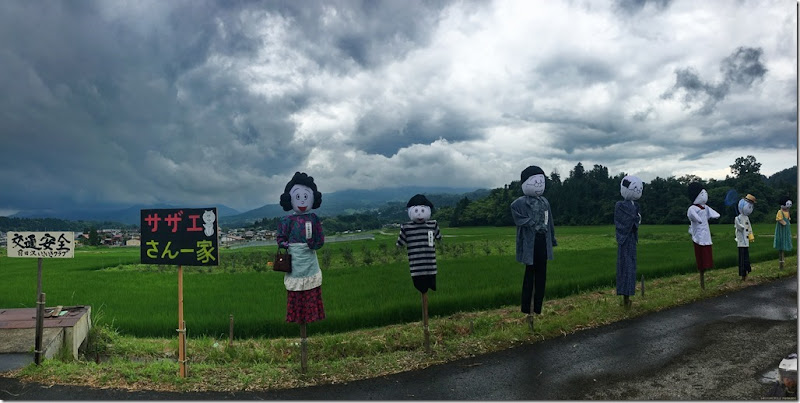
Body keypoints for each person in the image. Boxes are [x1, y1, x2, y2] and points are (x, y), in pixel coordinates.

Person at [510, 165, 557, 329]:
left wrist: (552, 238)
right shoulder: (520, 203)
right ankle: (527, 308)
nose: (539, 184)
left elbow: (550, 221)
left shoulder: (545, 202)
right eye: (535, 181)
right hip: (531, 241)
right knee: (530, 273)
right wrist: (529, 222)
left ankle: (537, 307)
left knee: (542, 274)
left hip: (543, 239)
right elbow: (516, 214)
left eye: (541, 182)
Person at [276, 172, 325, 324]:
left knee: (310, 287)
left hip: (310, 259)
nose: (302, 201)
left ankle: (309, 319)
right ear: (289, 199)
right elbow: (280, 239)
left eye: (306, 196)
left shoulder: (314, 218)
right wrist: (287, 245)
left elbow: (320, 239)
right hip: (294, 260)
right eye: (298, 197)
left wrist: (313, 244)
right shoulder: (286, 220)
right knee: (296, 288)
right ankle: (299, 320)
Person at [396, 194, 442, 294]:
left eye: (423, 211)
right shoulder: (406, 227)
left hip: (430, 264)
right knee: (419, 284)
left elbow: (438, 237)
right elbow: (400, 242)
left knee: (431, 280)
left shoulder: (433, 225)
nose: (420, 214)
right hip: (416, 265)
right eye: (416, 211)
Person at [615, 175, 643, 308]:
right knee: (625, 266)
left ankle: (629, 295)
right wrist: (635, 218)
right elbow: (626, 220)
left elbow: (636, 219)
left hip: (631, 239)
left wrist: (636, 219)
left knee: (631, 266)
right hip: (625, 239)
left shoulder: (636, 205)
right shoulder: (620, 205)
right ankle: (625, 297)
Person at [687, 182, 720, 289]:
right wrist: (698, 219)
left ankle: (706, 265)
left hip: (706, 232)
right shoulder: (693, 208)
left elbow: (712, 213)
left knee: (707, 247)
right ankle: (701, 268)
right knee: (700, 249)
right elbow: (691, 215)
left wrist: (716, 215)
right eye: (702, 194)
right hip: (698, 234)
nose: (705, 196)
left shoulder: (705, 207)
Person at [734, 194, 756, 280]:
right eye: (749, 207)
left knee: (746, 257)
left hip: (746, 241)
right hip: (741, 241)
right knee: (742, 258)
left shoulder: (746, 218)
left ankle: (747, 271)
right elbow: (738, 227)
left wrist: (751, 236)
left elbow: (749, 227)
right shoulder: (738, 218)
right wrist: (740, 226)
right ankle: (743, 274)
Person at [774, 196, 793, 269]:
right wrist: (784, 223)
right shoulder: (780, 212)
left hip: (786, 229)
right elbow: (779, 219)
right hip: (781, 229)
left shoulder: (787, 212)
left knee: (786, 238)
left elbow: (788, 219)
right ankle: (781, 262)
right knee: (781, 240)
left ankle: (782, 262)